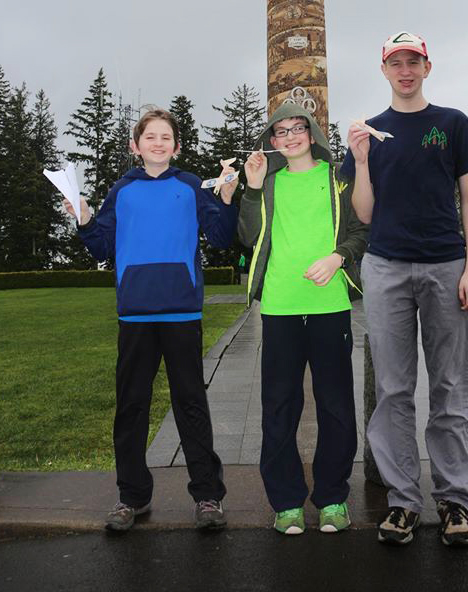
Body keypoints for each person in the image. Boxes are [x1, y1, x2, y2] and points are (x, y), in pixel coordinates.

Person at [64, 107, 238, 532]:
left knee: (191, 404)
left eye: (166, 138)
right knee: (132, 405)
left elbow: (218, 237)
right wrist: (85, 219)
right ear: (135, 146)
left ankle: (207, 496)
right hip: (136, 316)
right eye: (150, 137)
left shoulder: (192, 186)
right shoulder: (121, 190)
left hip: (182, 311)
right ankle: (132, 498)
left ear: (176, 146)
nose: (158, 143)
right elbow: (102, 247)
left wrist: (228, 200)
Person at [342, 32, 468, 548]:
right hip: (387, 269)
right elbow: (363, 213)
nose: (405, 70)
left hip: (446, 266)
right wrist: (359, 161)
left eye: (413, 61)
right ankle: (402, 502)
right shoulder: (371, 133)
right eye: (395, 62)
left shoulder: (452, 124)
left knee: (449, 388)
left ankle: (454, 501)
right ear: (384, 70)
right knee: (394, 391)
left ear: (427, 66)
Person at [238, 101, 368, 535]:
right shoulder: (268, 183)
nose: (290, 136)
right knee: (279, 407)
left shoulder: (337, 179)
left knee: (335, 406)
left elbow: (360, 231)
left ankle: (333, 498)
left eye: (298, 128)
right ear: (271, 141)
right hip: (280, 308)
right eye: (281, 131)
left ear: (311, 134)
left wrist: (337, 258)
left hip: (330, 306)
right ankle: (287, 502)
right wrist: (252, 188)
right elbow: (249, 236)